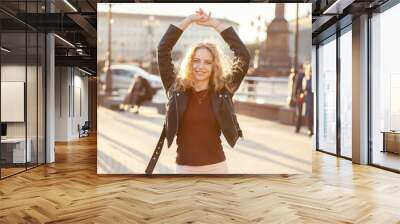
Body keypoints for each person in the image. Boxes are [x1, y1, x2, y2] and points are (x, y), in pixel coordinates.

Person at [156, 8, 250, 174]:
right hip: (184, 170)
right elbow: (163, 49)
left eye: (207, 62)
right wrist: (190, 20)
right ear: (190, 62)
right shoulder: (176, 88)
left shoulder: (223, 90)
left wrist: (215, 24)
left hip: (217, 169)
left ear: (214, 66)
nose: (200, 66)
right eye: (196, 60)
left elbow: (243, 55)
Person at [303, 63, 313, 136]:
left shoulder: (313, 78)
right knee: (308, 115)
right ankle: (309, 129)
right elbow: (304, 89)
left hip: (312, 99)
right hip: (308, 99)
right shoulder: (306, 78)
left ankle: (311, 129)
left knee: (312, 115)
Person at [294, 65, 305, 133]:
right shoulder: (300, 75)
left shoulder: (311, 75)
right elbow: (296, 86)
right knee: (299, 113)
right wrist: (295, 96)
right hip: (300, 97)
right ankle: (297, 128)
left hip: (307, 97)